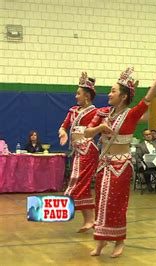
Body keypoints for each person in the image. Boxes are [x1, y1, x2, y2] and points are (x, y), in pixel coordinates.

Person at [85, 66, 156, 258]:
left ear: (123, 96)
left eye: (113, 91)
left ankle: (119, 241)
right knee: (101, 203)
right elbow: (86, 132)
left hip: (120, 166)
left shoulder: (132, 114)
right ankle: (100, 241)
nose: (109, 94)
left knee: (116, 204)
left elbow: (148, 99)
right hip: (104, 164)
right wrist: (100, 127)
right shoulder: (103, 114)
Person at [59, 72, 99, 233]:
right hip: (77, 151)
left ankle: (66, 205)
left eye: (78, 93)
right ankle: (90, 220)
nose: (76, 96)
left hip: (88, 150)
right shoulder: (73, 110)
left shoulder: (95, 112)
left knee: (76, 182)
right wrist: (63, 132)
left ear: (87, 96)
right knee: (82, 185)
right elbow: (64, 125)